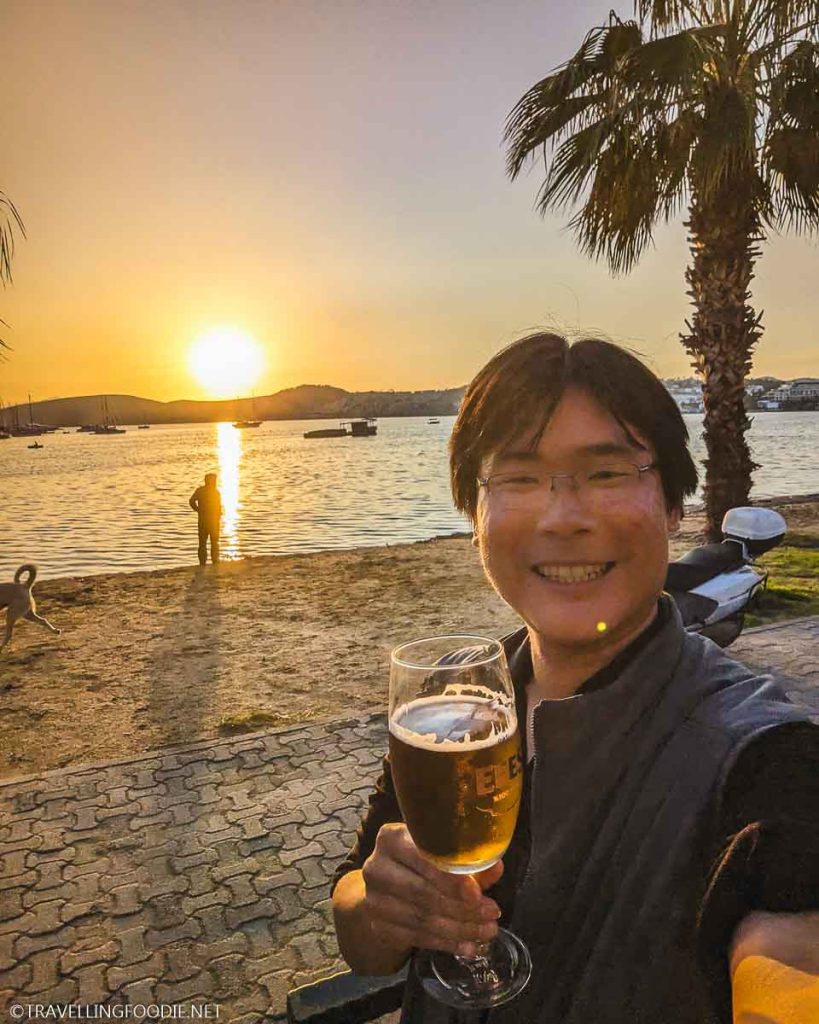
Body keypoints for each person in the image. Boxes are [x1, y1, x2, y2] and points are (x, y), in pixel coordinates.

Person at [331, 333, 819, 1023]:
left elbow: (789, 939)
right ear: (474, 516)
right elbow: (360, 938)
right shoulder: (448, 707)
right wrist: (377, 910)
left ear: (675, 506)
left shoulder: (760, 750)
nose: (563, 517)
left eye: (608, 473)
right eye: (520, 478)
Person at [189, 472, 221, 566]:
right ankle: (211, 562)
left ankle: (208, 562)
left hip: (208, 521)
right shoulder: (213, 492)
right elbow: (191, 501)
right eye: (214, 480)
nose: (215, 482)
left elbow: (191, 501)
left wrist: (197, 510)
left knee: (206, 543)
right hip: (209, 521)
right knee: (210, 543)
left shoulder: (212, 491)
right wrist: (198, 510)